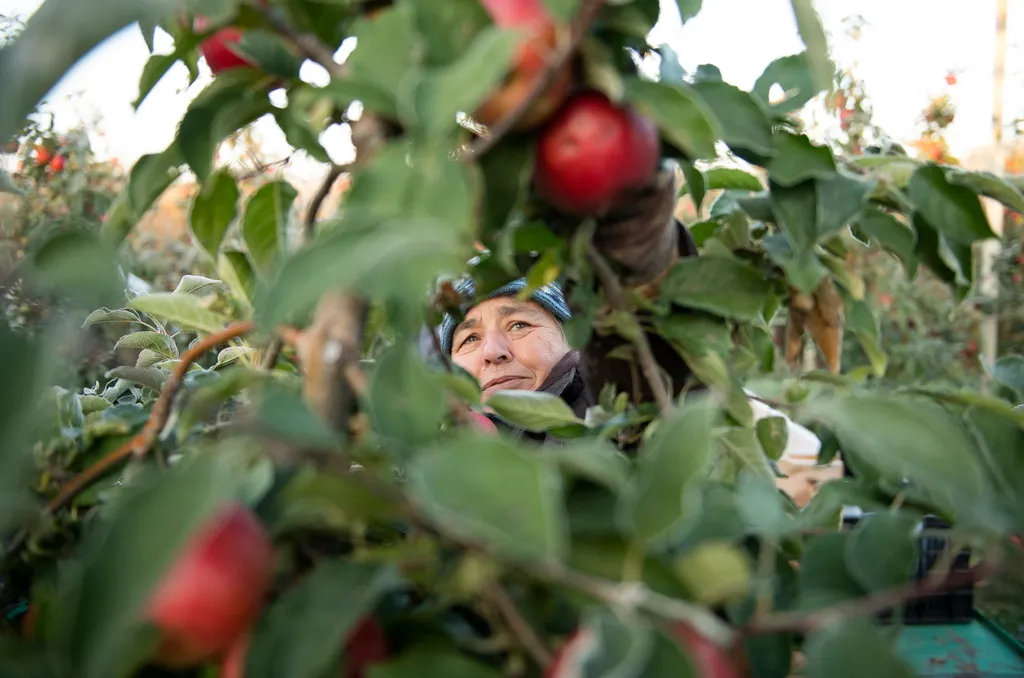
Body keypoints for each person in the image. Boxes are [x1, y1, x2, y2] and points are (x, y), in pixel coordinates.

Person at [424, 167, 702, 444]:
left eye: (519, 325)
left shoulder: (616, 417)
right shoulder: (429, 462)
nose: (493, 352)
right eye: (470, 338)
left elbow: (644, 269)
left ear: (571, 337)